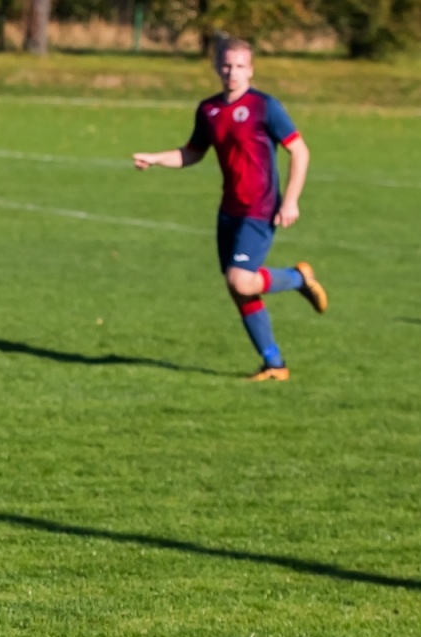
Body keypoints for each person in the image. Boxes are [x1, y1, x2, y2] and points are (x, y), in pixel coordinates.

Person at [133, 37, 328, 381]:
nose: (232, 72)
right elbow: (192, 153)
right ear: (216, 67)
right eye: (226, 65)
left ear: (251, 69)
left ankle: (298, 278)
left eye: (240, 66)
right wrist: (156, 158)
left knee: (241, 280)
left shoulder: (265, 106)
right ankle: (274, 364)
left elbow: (300, 151)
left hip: (260, 207)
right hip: (229, 211)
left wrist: (291, 200)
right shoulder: (208, 110)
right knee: (238, 289)